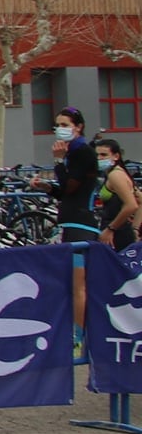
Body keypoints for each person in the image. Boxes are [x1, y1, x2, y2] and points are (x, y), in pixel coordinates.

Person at [42, 106, 99, 360]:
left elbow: (73, 186)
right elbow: (65, 193)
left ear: (78, 127)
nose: (60, 129)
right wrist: (47, 187)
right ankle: (72, 332)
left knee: (79, 287)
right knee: (66, 284)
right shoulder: (71, 154)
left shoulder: (83, 153)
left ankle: (79, 337)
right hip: (67, 222)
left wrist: (57, 162)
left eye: (65, 124)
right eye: (57, 124)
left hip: (80, 226)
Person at [95, 137, 139, 251]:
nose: (99, 158)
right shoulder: (118, 173)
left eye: (104, 155)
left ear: (116, 156)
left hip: (117, 232)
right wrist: (135, 229)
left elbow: (132, 205)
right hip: (121, 229)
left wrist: (111, 229)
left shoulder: (115, 175)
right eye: (97, 155)